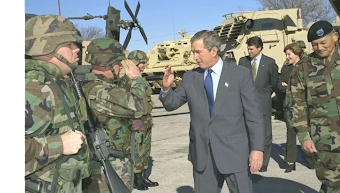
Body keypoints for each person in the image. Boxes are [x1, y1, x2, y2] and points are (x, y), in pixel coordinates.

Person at [159, 30, 265, 193]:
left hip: (234, 153)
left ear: (214, 51)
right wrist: (166, 88)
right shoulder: (190, 77)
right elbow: (171, 104)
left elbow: (254, 116)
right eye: (193, 52)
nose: (195, 57)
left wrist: (257, 149)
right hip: (203, 156)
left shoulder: (239, 75)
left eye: (198, 52)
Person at [24, 14, 91, 193]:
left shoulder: (54, 81)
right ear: (47, 48)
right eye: (69, 44)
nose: (77, 49)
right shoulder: (35, 88)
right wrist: (59, 144)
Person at [80, 37, 149, 193]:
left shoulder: (90, 85)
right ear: (107, 64)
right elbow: (138, 107)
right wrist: (137, 79)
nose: (120, 67)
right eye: (117, 63)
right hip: (109, 162)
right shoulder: (100, 90)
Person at [287, 20, 340, 193]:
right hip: (326, 140)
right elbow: (294, 104)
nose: (319, 48)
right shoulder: (303, 67)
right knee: (332, 185)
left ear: (335, 37)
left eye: (323, 43)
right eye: (314, 44)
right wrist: (304, 136)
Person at [117, 50, 159, 190]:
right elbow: (128, 103)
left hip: (146, 120)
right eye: (141, 62)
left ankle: (142, 177)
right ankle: (136, 179)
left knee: (145, 151)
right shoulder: (126, 81)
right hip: (136, 121)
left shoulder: (140, 79)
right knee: (136, 151)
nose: (144, 65)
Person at [238, 36, 278, 172]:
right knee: (247, 131)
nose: (249, 51)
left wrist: (266, 95)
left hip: (263, 102)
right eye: (248, 48)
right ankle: (250, 159)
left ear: (259, 48)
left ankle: (264, 162)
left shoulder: (270, 62)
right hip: (246, 103)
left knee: (266, 132)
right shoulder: (243, 62)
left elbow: (274, 83)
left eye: (251, 49)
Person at [277, 43, 316, 173]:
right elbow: (280, 84)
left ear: (297, 53)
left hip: (304, 107)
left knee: (308, 133)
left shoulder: (306, 67)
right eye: (286, 54)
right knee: (290, 134)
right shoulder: (287, 68)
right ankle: (290, 161)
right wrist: (287, 85)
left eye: (289, 54)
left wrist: (289, 85)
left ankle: (311, 159)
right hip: (289, 106)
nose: (287, 57)